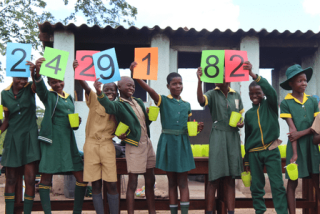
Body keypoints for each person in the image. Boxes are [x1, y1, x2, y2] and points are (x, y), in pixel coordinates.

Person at [130, 62, 204, 214]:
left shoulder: (187, 105)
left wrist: (197, 129)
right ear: (168, 86)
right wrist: (136, 76)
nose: (178, 86)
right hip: (168, 143)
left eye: (180, 83)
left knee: (183, 182)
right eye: (174, 84)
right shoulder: (162, 100)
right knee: (171, 183)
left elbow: (190, 129)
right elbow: (150, 90)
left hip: (183, 143)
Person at [94, 76, 156, 214]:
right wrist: (99, 92)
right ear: (119, 87)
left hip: (147, 143)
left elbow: (142, 124)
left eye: (133, 86)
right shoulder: (118, 104)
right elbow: (108, 106)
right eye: (128, 85)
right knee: (133, 183)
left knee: (150, 180)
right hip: (134, 145)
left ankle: (153, 211)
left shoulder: (138, 101)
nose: (131, 88)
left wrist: (149, 117)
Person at [34, 58, 87, 214]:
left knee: (82, 178)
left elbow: (71, 121)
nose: (57, 84)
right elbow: (40, 87)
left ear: (64, 80)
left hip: (68, 140)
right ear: (49, 84)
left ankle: (77, 211)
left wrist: (77, 121)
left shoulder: (69, 97)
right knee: (45, 179)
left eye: (59, 81)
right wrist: (37, 72)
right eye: (53, 82)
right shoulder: (49, 96)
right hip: (52, 140)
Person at [73, 60, 120, 214]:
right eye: (106, 89)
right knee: (95, 184)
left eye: (112, 90)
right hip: (92, 145)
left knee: (112, 183)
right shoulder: (94, 98)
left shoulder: (118, 107)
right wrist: (77, 70)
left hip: (107, 146)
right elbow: (85, 86)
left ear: (116, 92)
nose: (109, 92)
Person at [196, 66, 244, 214]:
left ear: (228, 78)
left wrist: (240, 123)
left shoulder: (236, 95)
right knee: (213, 178)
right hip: (218, 135)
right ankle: (209, 212)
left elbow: (240, 116)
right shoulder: (212, 93)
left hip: (233, 136)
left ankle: (230, 212)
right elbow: (200, 100)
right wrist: (199, 81)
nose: (216, 78)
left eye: (220, 75)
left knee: (230, 179)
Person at [244, 62, 288, 214]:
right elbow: (247, 137)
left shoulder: (270, 106)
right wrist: (246, 159)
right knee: (256, 186)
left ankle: (282, 211)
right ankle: (260, 211)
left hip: (271, 150)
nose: (254, 96)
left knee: (277, 184)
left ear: (263, 94)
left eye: (258, 92)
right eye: (251, 93)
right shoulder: (248, 114)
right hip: (254, 153)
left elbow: (271, 91)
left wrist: (253, 75)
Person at [279, 64, 320, 214]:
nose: (304, 83)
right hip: (295, 146)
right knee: (292, 182)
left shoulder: (313, 101)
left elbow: (316, 128)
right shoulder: (286, 103)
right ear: (291, 83)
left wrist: (303, 133)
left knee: (317, 179)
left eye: (305, 80)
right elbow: (292, 130)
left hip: (313, 146)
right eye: (299, 81)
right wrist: (294, 154)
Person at [1, 62, 40, 214]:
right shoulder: (4, 94)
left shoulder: (30, 88)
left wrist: (35, 72)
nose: (22, 81)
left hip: (30, 138)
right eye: (19, 78)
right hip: (12, 139)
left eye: (25, 78)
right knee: (10, 179)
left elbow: (37, 85)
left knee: (30, 179)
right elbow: (7, 119)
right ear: (12, 76)